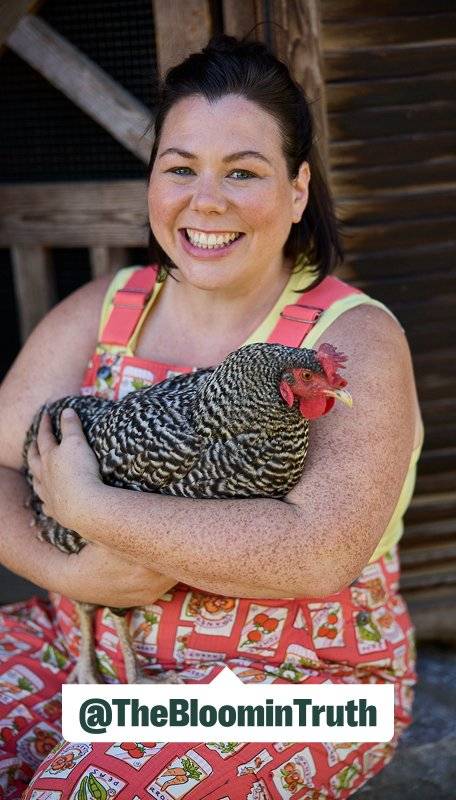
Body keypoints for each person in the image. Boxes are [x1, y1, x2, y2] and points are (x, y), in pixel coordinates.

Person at [0, 35, 423, 800]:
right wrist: (68, 569)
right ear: (154, 181)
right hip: (83, 644)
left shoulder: (350, 339)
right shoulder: (105, 309)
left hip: (301, 680)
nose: (208, 200)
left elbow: (316, 551)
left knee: (92, 789)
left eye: (243, 172)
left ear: (297, 192)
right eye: (181, 168)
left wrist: (89, 505)